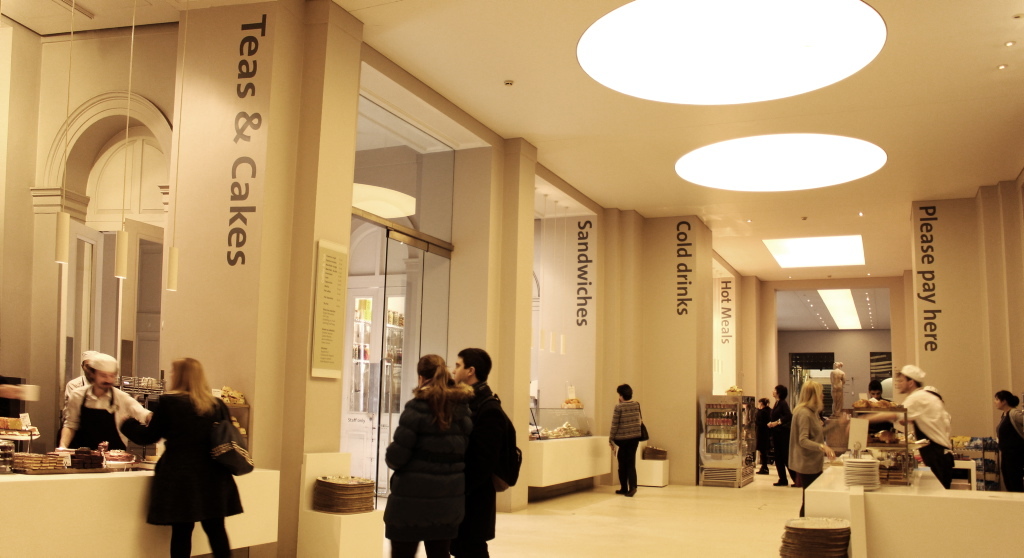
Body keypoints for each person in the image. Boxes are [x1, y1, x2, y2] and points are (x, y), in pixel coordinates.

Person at [120, 357, 242, 558]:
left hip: (181, 476)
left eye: (173, 371)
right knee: (216, 529)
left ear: (181, 376)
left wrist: (126, 424)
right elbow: (227, 436)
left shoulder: (169, 403)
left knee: (182, 532)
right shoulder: (217, 404)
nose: (171, 375)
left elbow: (149, 437)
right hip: (214, 475)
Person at [384, 355, 474, 558]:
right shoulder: (462, 410)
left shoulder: (416, 408)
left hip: (410, 503)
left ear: (420, 377)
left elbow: (396, 457)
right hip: (448, 502)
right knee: (440, 554)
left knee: (402, 554)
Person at [451, 348, 504, 558]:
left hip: (474, 500)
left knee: (472, 549)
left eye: (457, 366)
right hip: (466, 496)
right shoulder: (468, 403)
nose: (453, 371)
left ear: (470, 371)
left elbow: (484, 462)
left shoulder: (487, 408)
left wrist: (461, 487)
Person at [871, 365, 954, 489]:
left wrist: (864, 419)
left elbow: (894, 414)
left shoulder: (917, 397)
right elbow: (908, 418)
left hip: (937, 456)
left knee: (939, 500)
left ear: (911, 382)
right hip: (940, 455)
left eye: (901, 380)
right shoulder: (923, 396)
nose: (898, 383)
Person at [60, 352, 150, 450]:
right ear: (92, 374)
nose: (108, 380)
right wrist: (62, 447)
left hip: (114, 457)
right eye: (103, 376)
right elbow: (70, 424)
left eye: (112, 376)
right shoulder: (78, 396)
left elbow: (143, 414)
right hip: (83, 456)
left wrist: (154, 419)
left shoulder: (121, 397)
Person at [789, 381, 837, 516]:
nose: (822, 395)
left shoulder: (811, 412)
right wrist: (822, 447)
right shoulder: (804, 413)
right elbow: (803, 440)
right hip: (807, 464)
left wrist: (837, 425)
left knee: (810, 498)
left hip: (813, 463)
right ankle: (803, 527)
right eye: (820, 393)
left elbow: (818, 433)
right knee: (809, 499)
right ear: (813, 395)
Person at [609, 384, 642, 496]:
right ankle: (632, 487)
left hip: (622, 439)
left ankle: (624, 487)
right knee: (631, 463)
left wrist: (611, 439)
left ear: (621, 395)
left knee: (622, 465)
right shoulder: (636, 404)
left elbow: (615, 425)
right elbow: (639, 419)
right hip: (635, 438)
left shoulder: (619, 407)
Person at [993, 390, 1024, 492]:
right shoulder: (1004, 415)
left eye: (997, 399)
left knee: (1015, 481)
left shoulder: (1014, 413)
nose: (995, 401)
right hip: (1006, 453)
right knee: (1008, 480)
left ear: (1004, 401)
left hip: (1015, 454)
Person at [767, 385, 793, 487]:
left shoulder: (782, 403)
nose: (772, 391)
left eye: (774, 390)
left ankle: (795, 478)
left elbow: (788, 416)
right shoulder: (777, 403)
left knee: (784, 456)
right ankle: (782, 478)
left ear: (778, 392)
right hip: (777, 434)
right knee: (778, 457)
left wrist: (776, 423)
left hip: (782, 435)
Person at [755, 397, 772, 474]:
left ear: (761, 403)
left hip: (762, 433)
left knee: (762, 450)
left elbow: (760, 423)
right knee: (764, 450)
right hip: (767, 433)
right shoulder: (769, 411)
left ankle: (764, 467)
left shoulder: (762, 412)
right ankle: (764, 466)